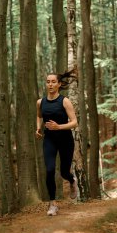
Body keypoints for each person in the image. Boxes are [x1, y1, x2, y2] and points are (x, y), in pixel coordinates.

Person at [36, 69, 78, 216]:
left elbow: (74, 123)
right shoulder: (40, 102)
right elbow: (39, 116)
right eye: (48, 82)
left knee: (64, 172)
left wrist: (59, 126)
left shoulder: (64, 101)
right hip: (49, 140)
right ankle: (52, 204)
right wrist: (38, 128)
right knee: (49, 170)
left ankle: (72, 181)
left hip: (65, 139)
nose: (50, 84)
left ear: (59, 84)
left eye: (53, 82)